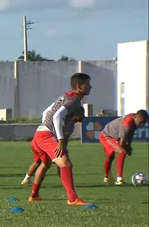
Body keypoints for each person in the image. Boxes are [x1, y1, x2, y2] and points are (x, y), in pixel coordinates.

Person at [28, 73, 92, 206]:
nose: (90, 87)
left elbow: (46, 112)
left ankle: (34, 195)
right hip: (45, 135)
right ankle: (72, 199)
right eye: (87, 84)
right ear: (79, 86)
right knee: (66, 164)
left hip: (40, 133)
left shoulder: (66, 95)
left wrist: (44, 126)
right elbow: (56, 116)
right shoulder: (74, 100)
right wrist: (60, 140)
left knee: (45, 164)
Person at [21, 107, 84, 185]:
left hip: (38, 140)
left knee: (39, 162)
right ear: (76, 113)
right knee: (53, 164)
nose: (83, 116)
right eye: (82, 113)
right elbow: (63, 138)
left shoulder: (69, 123)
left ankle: (26, 179)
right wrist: (62, 150)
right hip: (44, 141)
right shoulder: (66, 121)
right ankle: (67, 184)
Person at [99, 109, 148, 185]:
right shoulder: (127, 123)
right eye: (140, 122)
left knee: (110, 156)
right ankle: (119, 179)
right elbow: (122, 141)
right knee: (122, 151)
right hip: (106, 136)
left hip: (115, 137)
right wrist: (126, 148)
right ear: (136, 117)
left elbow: (130, 134)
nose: (140, 125)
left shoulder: (134, 120)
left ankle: (106, 177)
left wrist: (129, 146)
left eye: (143, 123)